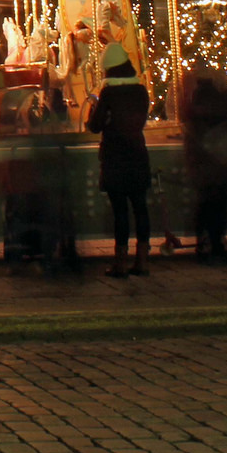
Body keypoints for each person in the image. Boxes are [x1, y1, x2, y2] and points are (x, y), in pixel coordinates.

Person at [87, 40, 151, 278]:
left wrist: (94, 107)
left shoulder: (109, 93)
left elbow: (95, 125)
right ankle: (142, 260)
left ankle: (121, 262)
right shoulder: (140, 91)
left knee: (120, 211)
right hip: (137, 153)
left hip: (115, 155)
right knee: (140, 207)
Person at [178, 62, 227, 263]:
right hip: (219, 160)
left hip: (203, 162)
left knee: (205, 203)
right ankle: (216, 244)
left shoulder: (194, 103)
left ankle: (205, 243)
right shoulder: (221, 100)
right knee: (219, 205)